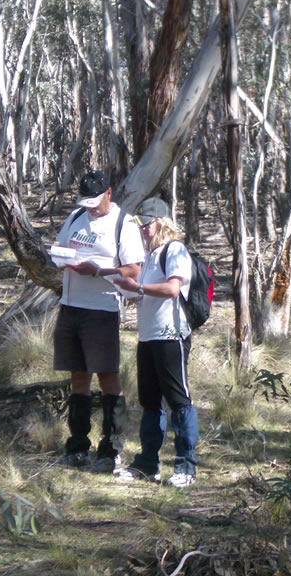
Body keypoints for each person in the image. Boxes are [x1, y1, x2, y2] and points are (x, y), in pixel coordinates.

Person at [53, 171, 144, 473]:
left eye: (95, 201)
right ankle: (78, 445)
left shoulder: (123, 224)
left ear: (109, 192)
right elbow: (61, 247)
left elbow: (132, 270)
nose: (90, 207)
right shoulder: (76, 216)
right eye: (86, 202)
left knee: (107, 377)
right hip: (71, 306)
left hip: (101, 309)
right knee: (78, 377)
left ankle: (111, 448)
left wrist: (98, 271)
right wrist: (62, 258)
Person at [113, 197, 199, 488]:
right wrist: (132, 291)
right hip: (147, 337)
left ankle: (186, 466)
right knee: (150, 402)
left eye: (145, 224)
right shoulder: (150, 256)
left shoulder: (175, 250)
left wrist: (138, 286)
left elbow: (173, 288)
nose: (142, 230)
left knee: (178, 401)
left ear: (161, 222)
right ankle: (148, 464)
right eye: (139, 224)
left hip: (170, 336)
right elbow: (146, 292)